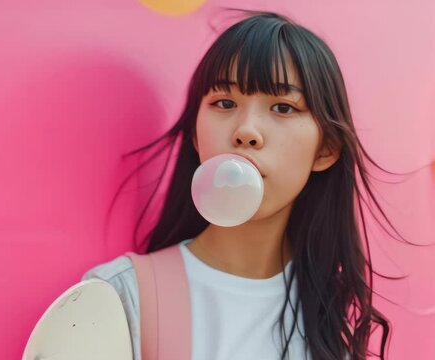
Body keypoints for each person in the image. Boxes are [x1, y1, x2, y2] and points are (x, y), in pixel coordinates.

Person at [81, 9, 407, 360]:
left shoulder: (331, 317)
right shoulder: (119, 297)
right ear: (195, 133)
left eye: (283, 108)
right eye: (224, 103)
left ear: (326, 149)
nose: (246, 131)